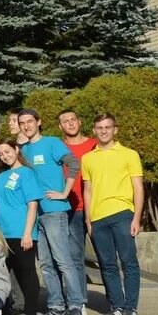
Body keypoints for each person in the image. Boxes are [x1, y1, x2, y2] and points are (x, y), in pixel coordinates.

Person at [18, 108, 85, 315]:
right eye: (22, 123)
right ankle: (56, 306)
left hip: (55, 211)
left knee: (64, 261)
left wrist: (64, 193)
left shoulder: (52, 142)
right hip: (36, 214)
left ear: (39, 122)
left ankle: (75, 305)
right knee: (46, 264)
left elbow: (74, 163)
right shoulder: (24, 150)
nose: (26, 125)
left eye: (30, 121)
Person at [82, 113, 144, 315]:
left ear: (115, 129)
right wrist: (88, 220)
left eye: (108, 127)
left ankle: (130, 307)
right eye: (100, 127)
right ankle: (117, 306)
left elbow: (138, 187)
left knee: (128, 262)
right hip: (98, 219)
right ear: (94, 130)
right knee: (107, 265)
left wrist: (136, 218)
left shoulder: (129, 154)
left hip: (122, 214)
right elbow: (87, 190)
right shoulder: (88, 158)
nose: (104, 131)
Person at [0, 139, 42, 315]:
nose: (5, 156)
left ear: (16, 149)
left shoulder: (26, 173)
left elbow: (32, 204)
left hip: (21, 232)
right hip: (3, 233)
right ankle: (6, 309)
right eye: (1, 154)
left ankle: (30, 311)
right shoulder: (2, 176)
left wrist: (28, 233)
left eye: (7, 151)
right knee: (3, 273)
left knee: (26, 272)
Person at [58, 108, 96, 301]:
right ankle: (79, 300)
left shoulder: (95, 145)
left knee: (106, 259)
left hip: (96, 208)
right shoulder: (58, 148)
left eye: (73, 119)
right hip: (71, 208)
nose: (70, 123)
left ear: (80, 122)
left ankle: (115, 302)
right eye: (65, 121)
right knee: (75, 257)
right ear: (60, 126)